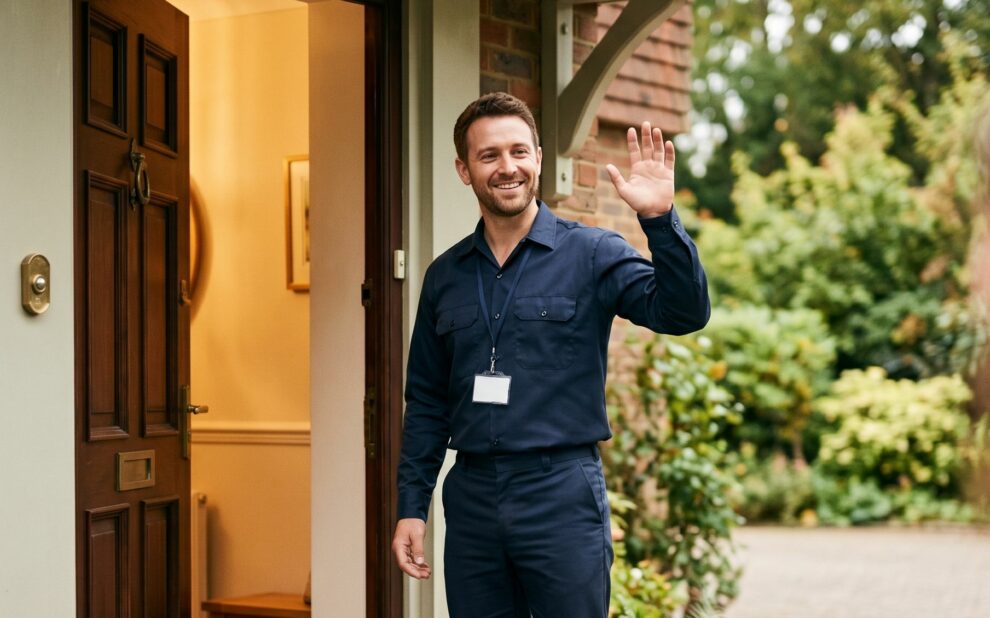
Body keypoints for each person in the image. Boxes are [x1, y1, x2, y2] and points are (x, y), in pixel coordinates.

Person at [391, 92, 710, 617]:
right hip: (472, 500)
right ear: (464, 169)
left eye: (519, 151)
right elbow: (426, 401)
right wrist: (412, 506)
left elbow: (683, 313)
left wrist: (660, 220)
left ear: (538, 158)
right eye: (489, 155)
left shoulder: (592, 253)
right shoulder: (444, 276)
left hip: (560, 493)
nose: (507, 167)